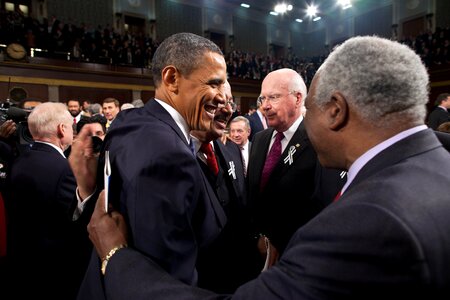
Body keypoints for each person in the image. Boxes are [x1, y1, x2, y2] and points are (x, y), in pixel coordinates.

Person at [84, 35, 450, 299]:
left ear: (335, 110)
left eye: (310, 108)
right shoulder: (440, 166)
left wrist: (116, 257)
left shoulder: (363, 223)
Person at [71, 32, 228, 299]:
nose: (222, 97)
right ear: (172, 79)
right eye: (214, 84)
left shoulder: (129, 121)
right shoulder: (168, 155)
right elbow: (166, 282)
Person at [247, 68, 343, 269]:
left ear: (298, 98)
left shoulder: (319, 140)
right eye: (262, 98)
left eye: (273, 97)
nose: (265, 106)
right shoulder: (259, 139)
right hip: (257, 255)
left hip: (298, 257)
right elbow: (254, 196)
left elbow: (321, 205)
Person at [7, 102, 93, 299]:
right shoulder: (64, 169)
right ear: (62, 129)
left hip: (20, 260)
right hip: (53, 268)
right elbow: (74, 223)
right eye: (71, 127)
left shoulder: (18, 160)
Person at [192, 81, 254, 293]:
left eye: (229, 102)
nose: (228, 109)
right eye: (218, 102)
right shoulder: (174, 156)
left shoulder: (231, 151)